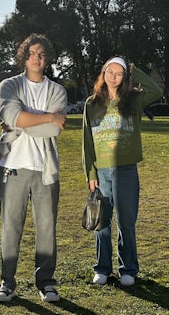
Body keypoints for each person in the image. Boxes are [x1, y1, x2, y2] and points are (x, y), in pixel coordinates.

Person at [0, 33, 67, 303]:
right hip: (12, 167)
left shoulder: (57, 91)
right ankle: (6, 283)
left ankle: (46, 282)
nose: (37, 58)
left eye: (42, 54)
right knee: (10, 228)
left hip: (45, 169)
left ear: (47, 60)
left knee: (47, 228)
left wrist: (21, 120)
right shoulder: (8, 85)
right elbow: (12, 115)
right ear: (24, 56)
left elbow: (52, 131)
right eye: (32, 53)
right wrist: (47, 117)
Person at [82, 56, 162, 286]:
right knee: (102, 223)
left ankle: (128, 269)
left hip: (126, 170)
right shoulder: (92, 103)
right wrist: (90, 173)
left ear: (124, 77)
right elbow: (87, 141)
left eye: (119, 73)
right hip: (102, 171)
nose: (113, 77)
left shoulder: (133, 101)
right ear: (103, 73)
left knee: (127, 222)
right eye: (110, 72)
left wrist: (134, 69)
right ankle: (103, 269)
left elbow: (154, 89)